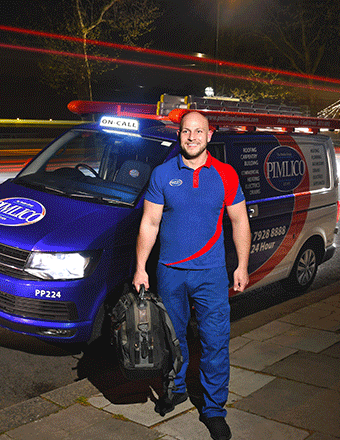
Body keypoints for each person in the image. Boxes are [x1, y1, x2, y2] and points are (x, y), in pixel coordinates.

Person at [133, 111, 251, 440]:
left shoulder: (225, 174)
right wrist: (141, 267)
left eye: (199, 132)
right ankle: (177, 388)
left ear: (209, 136)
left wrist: (241, 265)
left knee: (215, 342)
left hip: (211, 274)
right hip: (169, 271)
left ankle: (214, 410)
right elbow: (150, 223)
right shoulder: (162, 174)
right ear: (179, 134)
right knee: (173, 337)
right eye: (187, 131)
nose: (192, 137)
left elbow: (239, 220)